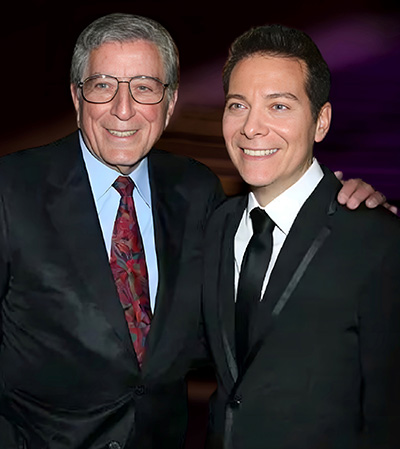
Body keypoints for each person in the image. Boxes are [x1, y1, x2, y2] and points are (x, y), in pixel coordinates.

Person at [0, 13, 390, 449]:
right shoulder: (11, 190)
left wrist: (353, 207)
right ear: (76, 97)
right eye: (103, 85)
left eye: (145, 88)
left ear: (170, 103)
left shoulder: (197, 192)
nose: (123, 109)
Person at [203, 24, 400, 449]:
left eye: (278, 106)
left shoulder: (379, 240)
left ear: (321, 121)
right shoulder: (215, 227)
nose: (252, 128)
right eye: (238, 105)